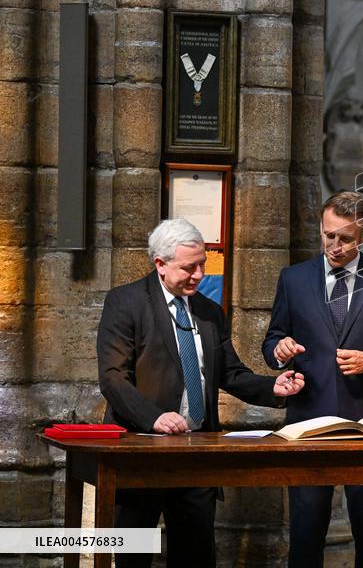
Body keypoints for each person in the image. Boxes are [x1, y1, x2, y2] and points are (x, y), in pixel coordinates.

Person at [97, 218, 305, 568]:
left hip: (197, 454)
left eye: (202, 265)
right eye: (189, 268)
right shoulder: (126, 302)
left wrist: (273, 387)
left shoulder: (209, 312)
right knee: (134, 556)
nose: (198, 275)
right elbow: (113, 377)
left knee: (195, 555)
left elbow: (231, 374)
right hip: (141, 453)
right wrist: (154, 418)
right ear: (160, 264)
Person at [262, 191, 363, 568]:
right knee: (305, 533)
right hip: (307, 424)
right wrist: (279, 349)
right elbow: (272, 340)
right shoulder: (293, 279)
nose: (334, 246)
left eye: (345, 239)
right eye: (328, 235)